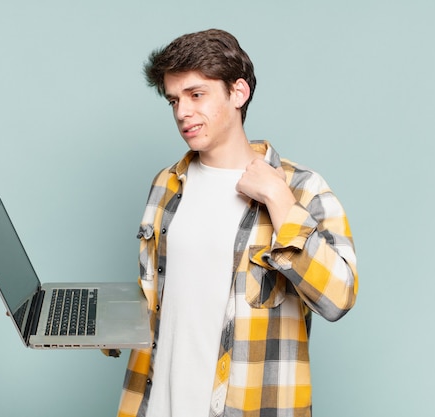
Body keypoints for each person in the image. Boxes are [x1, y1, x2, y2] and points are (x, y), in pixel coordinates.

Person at [112, 28, 358, 417]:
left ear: (238, 92)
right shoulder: (166, 185)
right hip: (157, 404)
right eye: (174, 100)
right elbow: (161, 298)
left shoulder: (302, 189)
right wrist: (99, 319)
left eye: (196, 95)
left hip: (248, 406)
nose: (182, 113)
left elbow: (339, 298)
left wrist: (279, 200)